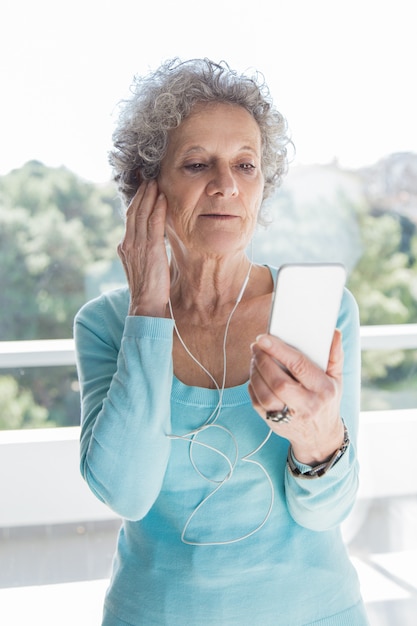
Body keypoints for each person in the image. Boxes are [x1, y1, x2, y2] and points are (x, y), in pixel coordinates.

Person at [74, 58, 369, 625]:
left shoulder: (324, 311)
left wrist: (317, 438)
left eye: (245, 164)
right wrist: (148, 314)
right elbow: (126, 493)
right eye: (196, 163)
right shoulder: (106, 325)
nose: (226, 185)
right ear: (148, 189)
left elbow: (326, 512)